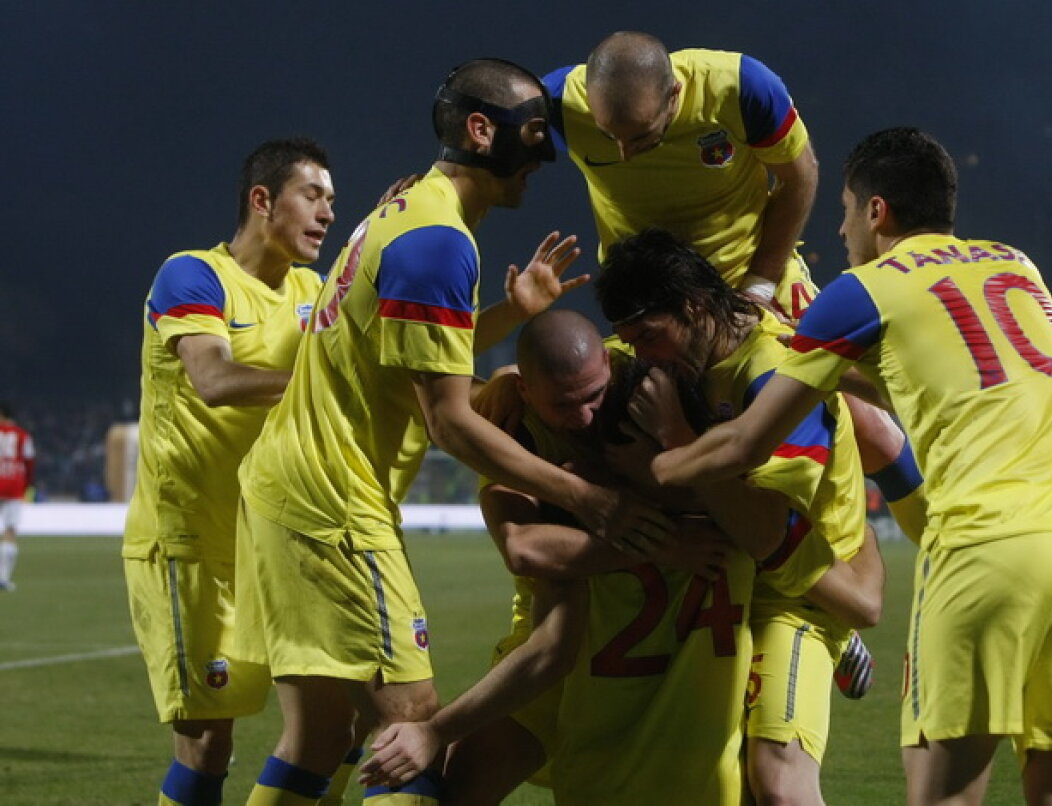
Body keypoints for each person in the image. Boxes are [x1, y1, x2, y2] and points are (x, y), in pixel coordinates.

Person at [643, 128, 1052, 805]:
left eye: (846, 209)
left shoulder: (860, 291)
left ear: (876, 211)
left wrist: (664, 460)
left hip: (985, 542)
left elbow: (745, 446)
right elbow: (919, 383)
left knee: (943, 796)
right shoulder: (1016, 264)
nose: (841, 227)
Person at [233, 60, 670, 806]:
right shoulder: (438, 242)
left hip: (291, 486)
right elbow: (450, 422)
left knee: (320, 736)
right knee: (412, 725)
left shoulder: (408, 212)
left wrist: (513, 314)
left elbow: (414, 356)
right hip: (333, 504)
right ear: (480, 130)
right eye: (533, 134)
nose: (544, 155)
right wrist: (588, 498)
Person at [361, 309, 879, 804]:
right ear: (527, 392)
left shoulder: (659, 391)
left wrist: (665, 462)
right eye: (563, 405)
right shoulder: (517, 429)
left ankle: (831, 628)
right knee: (462, 786)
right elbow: (524, 549)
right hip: (575, 641)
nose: (583, 416)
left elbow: (750, 507)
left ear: (609, 363)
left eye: (592, 396)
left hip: (687, 642)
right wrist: (659, 540)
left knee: (774, 784)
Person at [544, 28, 927, 554]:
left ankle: (945, 545)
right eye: (610, 137)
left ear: (674, 95)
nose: (625, 154)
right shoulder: (556, 103)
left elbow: (800, 177)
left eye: (642, 136)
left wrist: (760, 284)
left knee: (869, 426)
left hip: (752, 281)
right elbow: (482, 134)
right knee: (623, 425)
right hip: (652, 302)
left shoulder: (741, 89)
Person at [597, 229, 885, 806]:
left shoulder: (777, 373)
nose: (643, 355)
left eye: (649, 336)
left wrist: (676, 441)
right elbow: (574, 363)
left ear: (693, 307)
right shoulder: (670, 354)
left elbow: (767, 530)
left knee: (777, 782)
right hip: (725, 578)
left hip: (794, 591)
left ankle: (835, 634)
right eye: (633, 341)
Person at [120, 137, 336, 806]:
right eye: (313, 195)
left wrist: (508, 313)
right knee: (208, 742)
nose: (328, 213)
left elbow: (383, 354)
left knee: (338, 717)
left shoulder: (311, 290)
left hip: (273, 543)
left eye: (333, 201)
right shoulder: (193, 275)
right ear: (262, 199)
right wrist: (319, 381)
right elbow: (213, 379)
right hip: (192, 545)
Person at [0, 402, 35, 591]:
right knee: (10, 531)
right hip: (14, 485)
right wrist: (28, 485)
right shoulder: (23, 435)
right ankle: (3, 578)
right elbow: (29, 462)